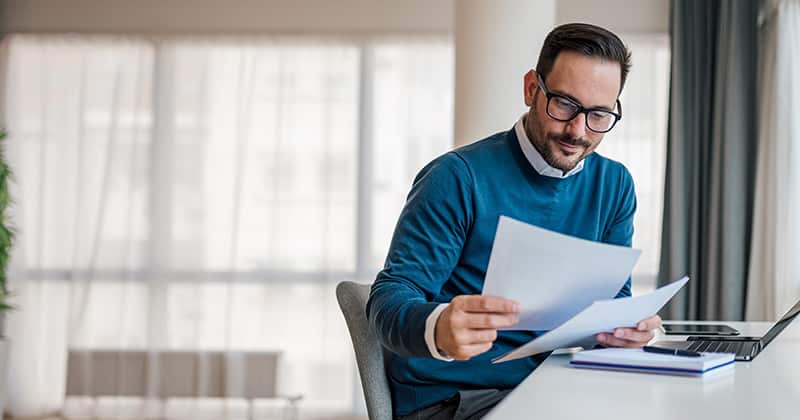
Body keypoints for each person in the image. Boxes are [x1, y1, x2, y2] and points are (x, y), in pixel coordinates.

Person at [366, 23, 662, 420]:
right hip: (455, 399)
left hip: (557, 389)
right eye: (564, 104)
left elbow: (610, 302)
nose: (578, 130)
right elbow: (389, 297)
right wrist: (438, 327)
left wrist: (623, 330)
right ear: (530, 89)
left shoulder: (614, 185)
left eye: (599, 115)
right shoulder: (457, 177)